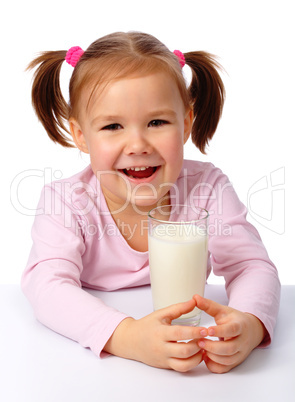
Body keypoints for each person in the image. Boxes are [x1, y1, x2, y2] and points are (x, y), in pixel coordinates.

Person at [22, 31, 280, 374]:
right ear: (81, 135)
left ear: (186, 123)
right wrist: (128, 336)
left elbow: (251, 265)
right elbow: (47, 286)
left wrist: (248, 323)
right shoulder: (67, 202)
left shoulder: (207, 188)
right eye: (113, 126)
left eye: (157, 122)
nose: (138, 144)